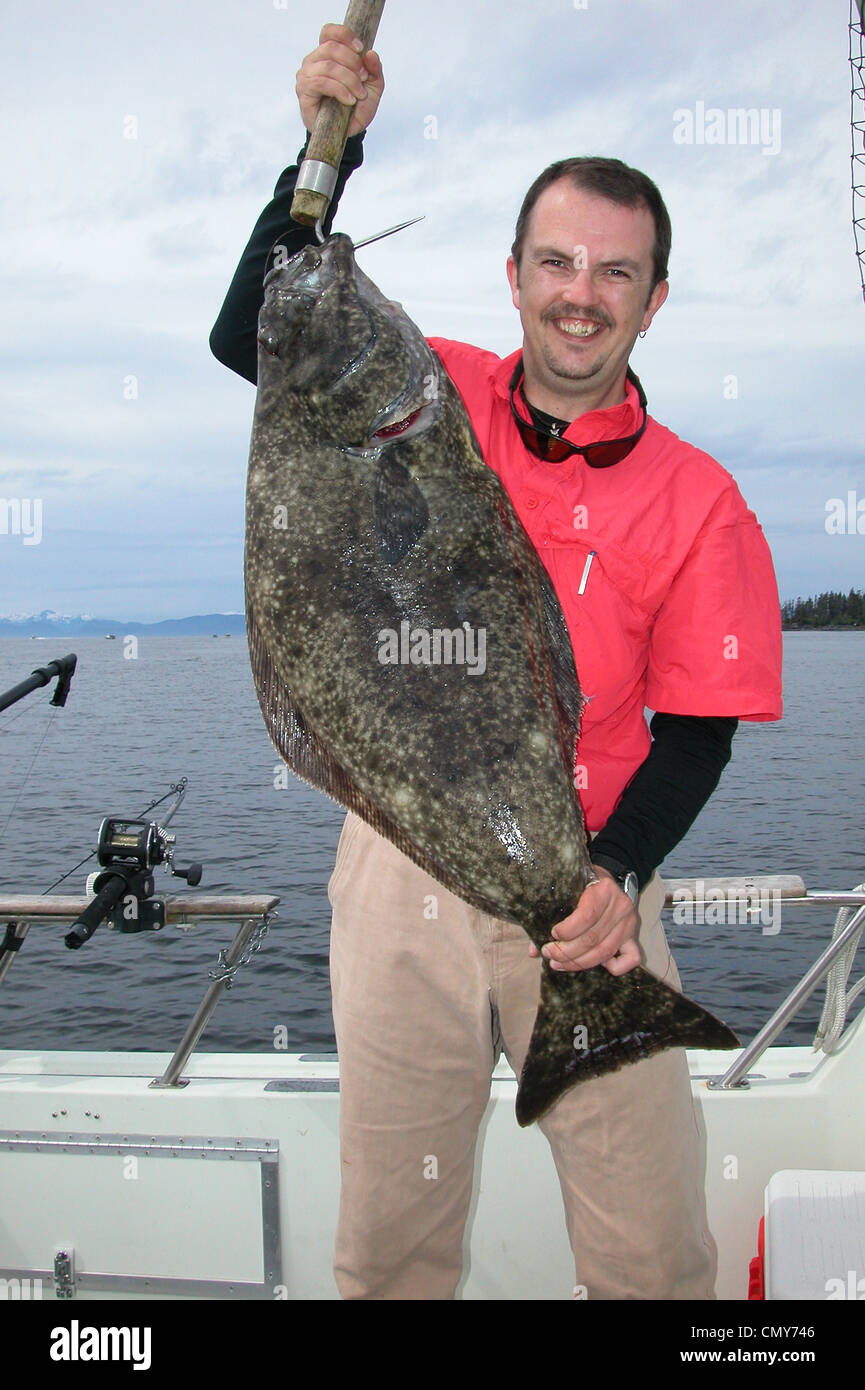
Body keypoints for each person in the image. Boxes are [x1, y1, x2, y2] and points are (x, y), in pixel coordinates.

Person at [210, 24, 783, 1300]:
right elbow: (263, 329)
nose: (582, 292)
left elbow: (699, 727)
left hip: (591, 893)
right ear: (513, 274)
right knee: (389, 1250)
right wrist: (325, 154)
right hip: (396, 874)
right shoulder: (420, 386)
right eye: (556, 262)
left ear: (654, 296)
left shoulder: (704, 500)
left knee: (654, 1258)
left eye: (616, 272)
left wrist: (616, 875)